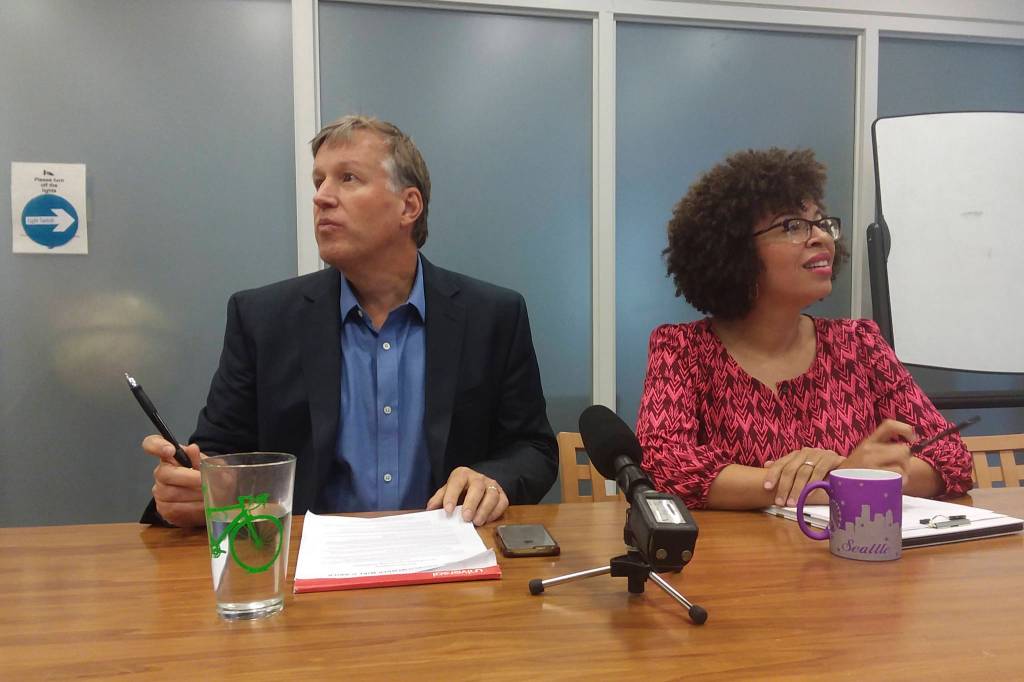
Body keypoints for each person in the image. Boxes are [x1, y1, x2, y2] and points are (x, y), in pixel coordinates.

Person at [142, 115, 557, 527]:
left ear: (408, 206)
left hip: (449, 551)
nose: (322, 197)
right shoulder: (262, 319)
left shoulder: (492, 316)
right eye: (318, 181)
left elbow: (533, 448)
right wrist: (189, 492)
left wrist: (494, 479)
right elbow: (216, 455)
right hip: (305, 557)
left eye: (348, 178)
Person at [635, 148, 973, 510]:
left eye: (821, 223)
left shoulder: (859, 344)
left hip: (851, 545)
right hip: (738, 548)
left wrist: (854, 476)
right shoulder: (683, 349)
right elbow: (665, 467)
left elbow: (952, 458)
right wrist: (830, 482)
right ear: (734, 250)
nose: (821, 237)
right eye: (793, 226)